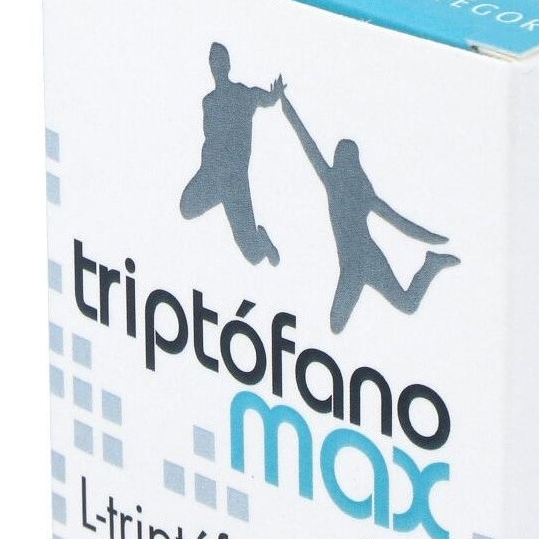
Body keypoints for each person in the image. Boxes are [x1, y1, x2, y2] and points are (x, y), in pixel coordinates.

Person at [279, 91, 459, 334]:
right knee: (350, 321)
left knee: (346, 322)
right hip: (361, 261)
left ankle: (432, 264)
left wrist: (285, 103)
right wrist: (285, 103)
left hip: (361, 262)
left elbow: (307, 142)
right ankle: (431, 264)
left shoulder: (336, 182)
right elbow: (402, 224)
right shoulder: (351, 189)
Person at [180, 42, 285, 265]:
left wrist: (274, 95)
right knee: (186, 207)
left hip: (234, 179)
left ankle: (263, 242)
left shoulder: (243, 94)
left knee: (253, 255)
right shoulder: (208, 102)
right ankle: (222, 197)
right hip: (210, 174)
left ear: (227, 65)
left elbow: (265, 98)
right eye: (213, 62)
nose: (217, 66)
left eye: (220, 61)